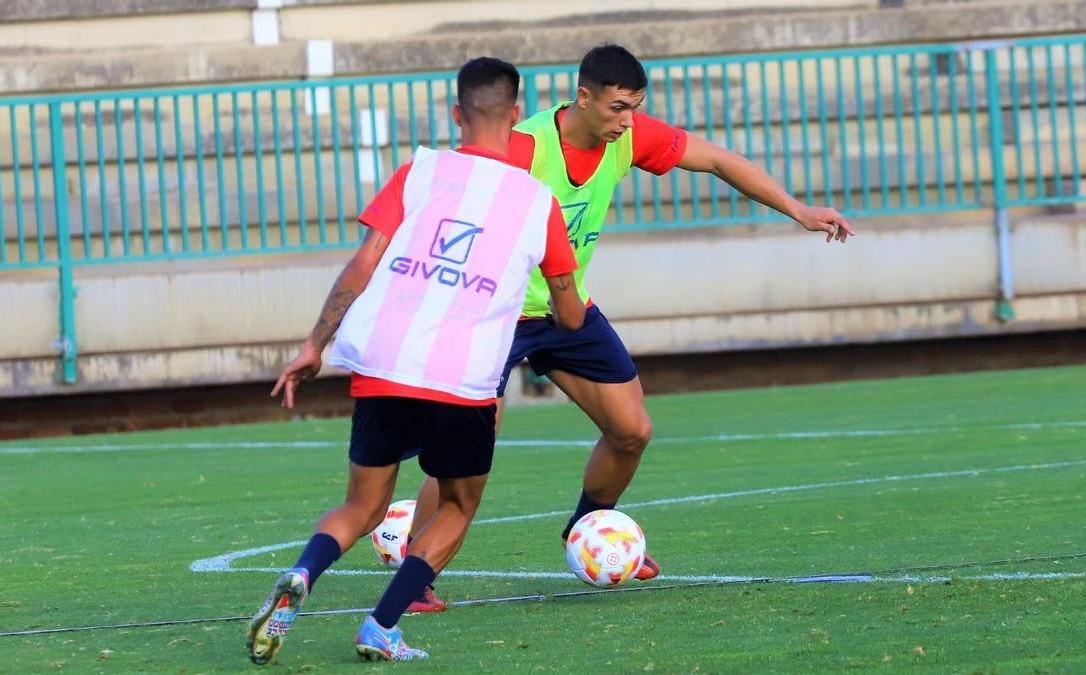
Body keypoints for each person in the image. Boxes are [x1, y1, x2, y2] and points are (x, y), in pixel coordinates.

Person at [407, 43, 855, 612]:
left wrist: (797, 209)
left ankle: (588, 530)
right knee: (468, 450)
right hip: (495, 315)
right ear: (583, 96)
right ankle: (414, 577)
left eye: (634, 108)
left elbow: (716, 159)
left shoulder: (632, 137)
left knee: (631, 431)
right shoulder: (524, 148)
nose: (627, 121)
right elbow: (458, 203)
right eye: (618, 108)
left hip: (568, 311)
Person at [244, 56, 585, 665]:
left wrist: (314, 346)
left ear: (457, 115)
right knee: (456, 505)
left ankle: (302, 574)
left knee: (362, 505)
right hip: (464, 379)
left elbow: (363, 262)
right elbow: (569, 312)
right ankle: (380, 625)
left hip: (384, 363)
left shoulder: (418, 171)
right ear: (515, 117)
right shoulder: (538, 203)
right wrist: (567, 314)